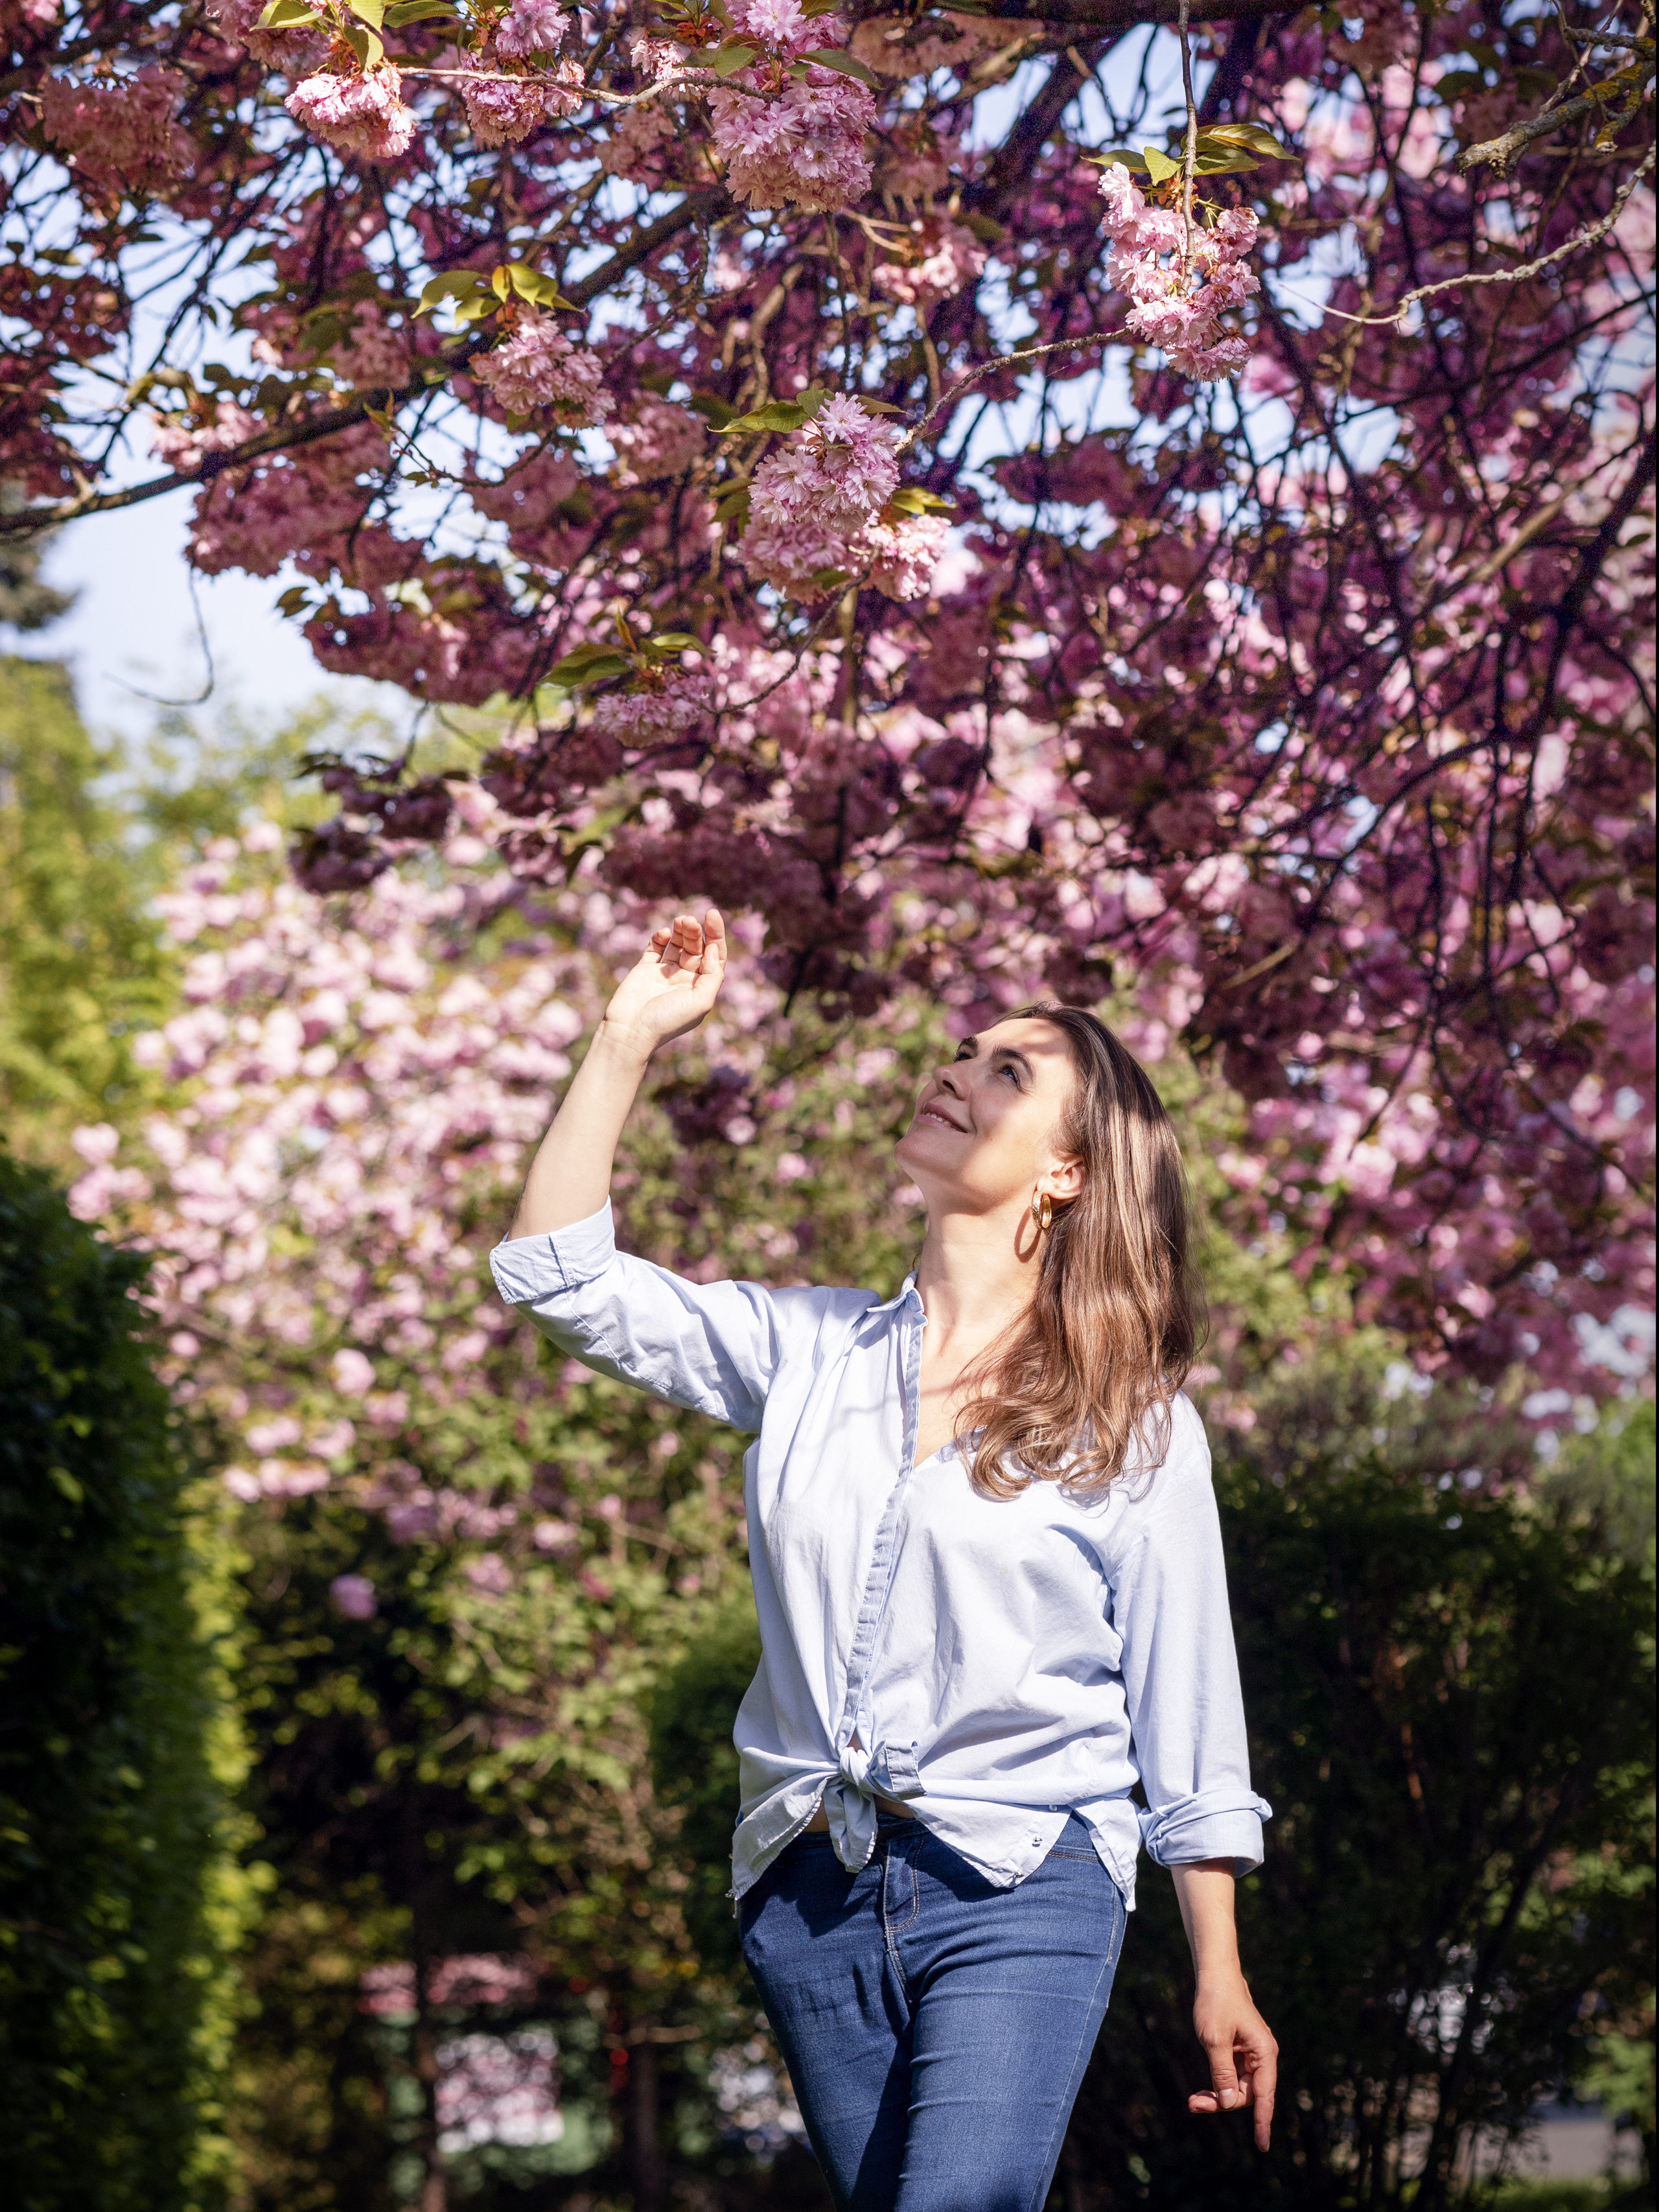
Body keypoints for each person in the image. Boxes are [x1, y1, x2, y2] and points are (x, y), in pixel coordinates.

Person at [492, 907, 1278, 2210]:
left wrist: (1217, 1962)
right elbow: (554, 1274)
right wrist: (631, 1033)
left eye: (1004, 1072)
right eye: (963, 1049)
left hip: (1024, 1878)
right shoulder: (804, 1351)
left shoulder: (1133, 1420)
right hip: (810, 1889)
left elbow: (1186, 1708)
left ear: (1067, 1173)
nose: (953, 1070)